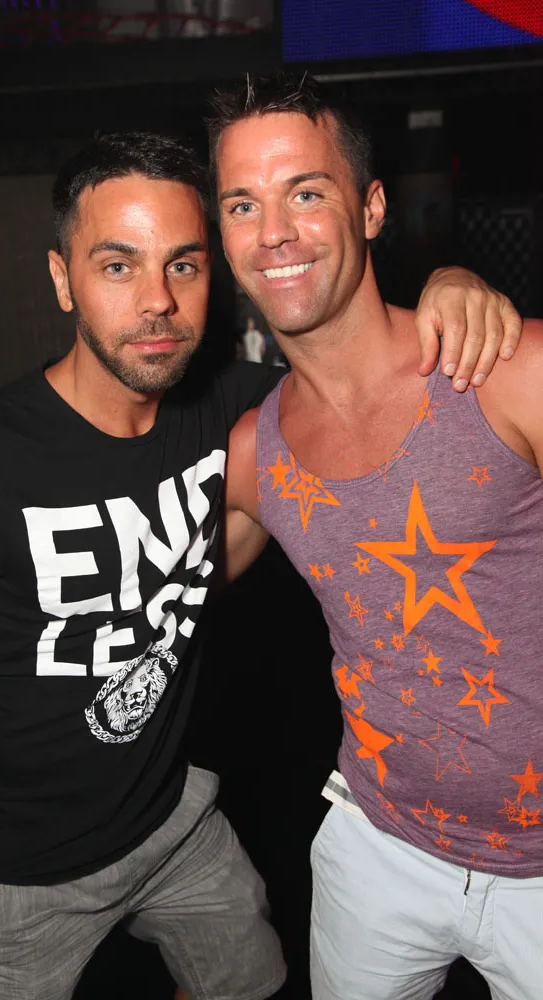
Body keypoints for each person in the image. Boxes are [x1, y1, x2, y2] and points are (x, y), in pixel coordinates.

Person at [0, 128, 518, 999]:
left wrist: (454, 281)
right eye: (117, 266)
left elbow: (353, 371)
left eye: (182, 264)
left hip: (171, 820)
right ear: (62, 279)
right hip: (11, 867)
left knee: (252, 980)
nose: (157, 302)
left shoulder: (239, 410)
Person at [217, 73, 542, 1000]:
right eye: (242, 204)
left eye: (304, 193)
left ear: (370, 208)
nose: (272, 232)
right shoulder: (254, 453)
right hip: (378, 847)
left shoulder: (509, 371)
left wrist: (456, 274)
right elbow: (155, 600)